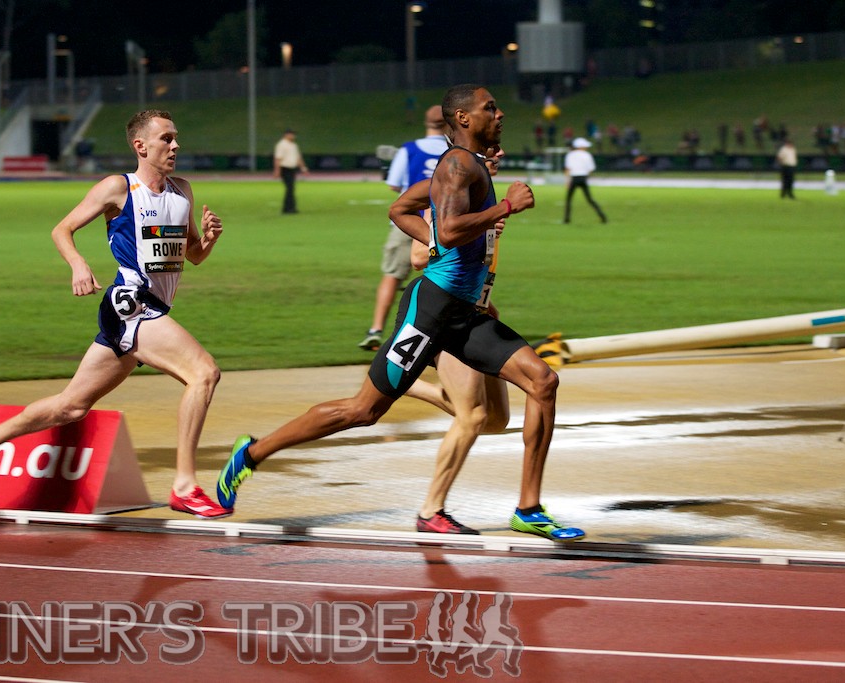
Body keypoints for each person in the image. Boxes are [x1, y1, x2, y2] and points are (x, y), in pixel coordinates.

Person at [217, 84, 585, 542]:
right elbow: (448, 231)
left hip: (466, 315)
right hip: (429, 312)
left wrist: (441, 232)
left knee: (542, 381)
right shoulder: (455, 164)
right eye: (490, 108)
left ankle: (528, 508)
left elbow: (401, 207)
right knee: (362, 411)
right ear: (465, 119)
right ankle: (251, 454)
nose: (501, 113)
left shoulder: (470, 167)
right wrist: (504, 207)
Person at [0, 109, 231, 519]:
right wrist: (79, 265)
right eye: (166, 139)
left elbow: (191, 256)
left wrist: (207, 240)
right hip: (131, 304)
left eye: (176, 138)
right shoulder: (118, 188)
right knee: (203, 372)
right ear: (141, 146)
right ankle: (184, 485)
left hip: (150, 311)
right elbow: (61, 230)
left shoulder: (182, 191)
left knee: (70, 407)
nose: (175, 146)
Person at [397, 146, 512, 534]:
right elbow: (417, 258)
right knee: (473, 416)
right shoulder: (448, 204)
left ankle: (411, 385)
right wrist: (470, 229)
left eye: (497, 160)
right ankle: (432, 510)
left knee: (496, 420)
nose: (494, 164)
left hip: (478, 314)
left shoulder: (486, 206)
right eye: (488, 158)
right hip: (447, 319)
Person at [358, 105, 448, 351]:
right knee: (442, 279)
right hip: (444, 224)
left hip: (407, 222)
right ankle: (438, 333)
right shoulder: (455, 151)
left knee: (391, 275)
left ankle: (376, 329)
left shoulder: (409, 149)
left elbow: (394, 185)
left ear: (426, 123)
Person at [563, 137, 606, 224]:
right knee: (590, 199)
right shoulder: (587, 155)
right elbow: (591, 168)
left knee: (569, 200)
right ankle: (603, 217)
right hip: (583, 178)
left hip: (574, 179)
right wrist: (586, 176)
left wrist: (567, 180)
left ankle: (566, 219)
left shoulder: (570, 155)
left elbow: (568, 169)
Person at [273, 128, 308, 214]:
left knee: (291, 188)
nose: (293, 136)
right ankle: (288, 208)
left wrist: (303, 168)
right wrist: (277, 170)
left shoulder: (294, 145)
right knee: (290, 188)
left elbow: (298, 157)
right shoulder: (281, 145)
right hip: (285, 168)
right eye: (291, 134)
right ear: (286, 135)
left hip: (292, 168)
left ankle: (290, 208)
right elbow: (278, 158)